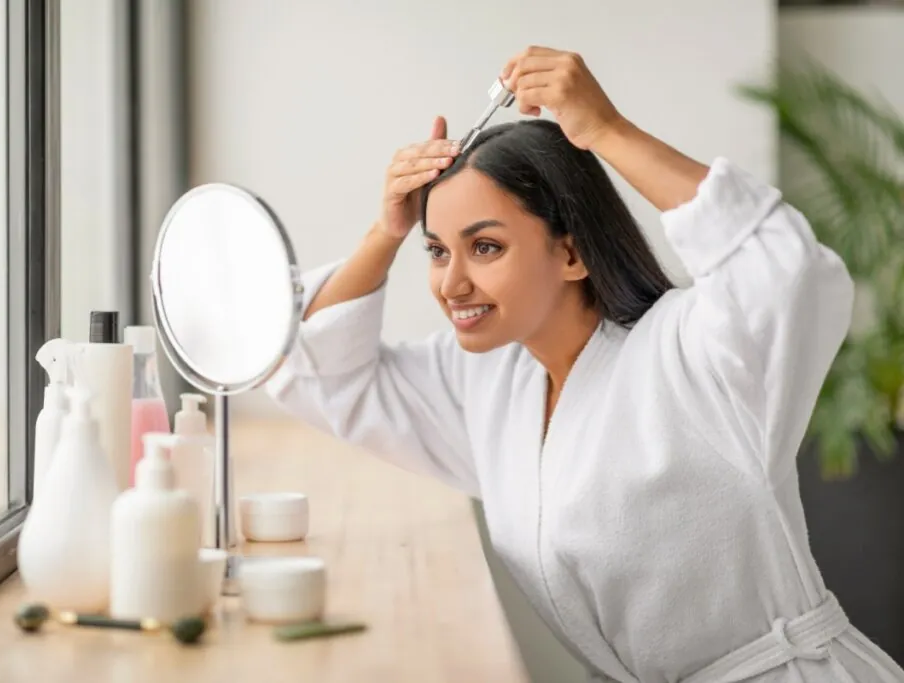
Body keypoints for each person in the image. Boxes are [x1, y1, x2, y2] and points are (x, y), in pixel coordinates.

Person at [263, 45, 904, 682]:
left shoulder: (692, 354)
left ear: (571, 254)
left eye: (484, 247)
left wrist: (606, 130)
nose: (450, 284)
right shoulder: (491, 387)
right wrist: (386, 232)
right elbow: (327, 372)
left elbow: (784, 268)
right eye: (436, 251)